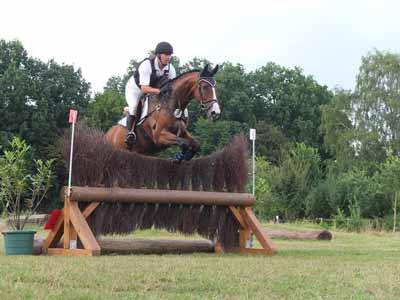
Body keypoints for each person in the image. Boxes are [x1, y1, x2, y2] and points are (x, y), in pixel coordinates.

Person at [124, 41, 176, 145]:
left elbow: (172, 88)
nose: (168, 57)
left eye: (169, 55)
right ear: (158, 55)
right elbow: (144, 89)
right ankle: (130, 133)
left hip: (152, 90)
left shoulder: (170, 69)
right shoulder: (146, 65)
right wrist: (159, 91)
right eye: (166, 54)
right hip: (135, 89)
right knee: (134, 107)